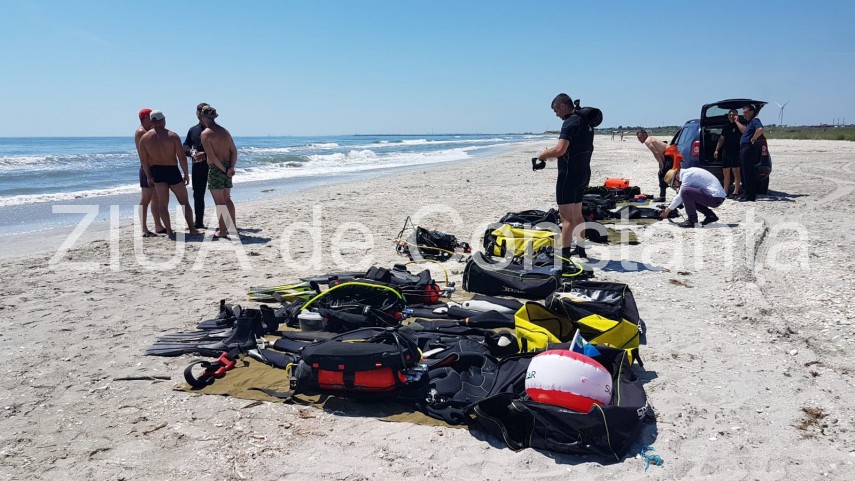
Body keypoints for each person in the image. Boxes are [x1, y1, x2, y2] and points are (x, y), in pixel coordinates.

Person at [536, 93, 594, 258]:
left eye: (556, 111)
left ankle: (564, 255)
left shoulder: (569, 123)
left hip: (568, 176)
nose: (556, 115)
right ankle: (581, 250)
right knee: (577, 215)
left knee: (566, 218)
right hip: (583, 173)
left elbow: (560, 150)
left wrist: (544, 154)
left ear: (562, 106)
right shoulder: (585, 122)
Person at [138, 110, 200, 238]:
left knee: (163, 204)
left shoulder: (145, 138)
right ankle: (192, 229)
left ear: (152, 121)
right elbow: (181, 157)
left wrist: (149, 176)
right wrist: (186, 173)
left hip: (157, 172)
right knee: (184, 202)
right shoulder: (172, 136)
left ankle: (170, 231)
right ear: (163, 120)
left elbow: (143, 160)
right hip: (172, 170)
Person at [199, 105, 238, 238]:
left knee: (219, 202)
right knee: (227, 199)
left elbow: (212, 157)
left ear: (203, 117)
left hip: (217, 169)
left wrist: (225, 169)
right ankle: (232, 228)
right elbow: (233, 151)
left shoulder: (206, 134)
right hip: (227, 166)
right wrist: (231, 167)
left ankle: (222, 231)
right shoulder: (224, 131)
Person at [660, 167, 725, 228]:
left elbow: (680, 196)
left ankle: (692, 220)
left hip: (715, 198)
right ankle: (710, 216)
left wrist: (667, 210)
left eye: (673, 184)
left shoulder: (687, 176)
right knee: (689, 195)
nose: (675, 186)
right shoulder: (688, 173)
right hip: (717, 197)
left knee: (685, 191)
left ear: (676, 177)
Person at [134, 108, 165, 237]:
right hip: (147, 168)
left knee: (156, 198)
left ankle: (158, 225)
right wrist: (148, 173)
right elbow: (144, 155)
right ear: (145, 118)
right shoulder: (141, 132)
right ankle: (144, 228)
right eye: (150, 117)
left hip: (155, 167)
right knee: (145, 198)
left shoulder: (150, 131)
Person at [183, 103, 210, 229]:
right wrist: (191, 152)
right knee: (198, 194)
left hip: (214, 166)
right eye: (199, 111)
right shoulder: (193, 129)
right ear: (197, 113)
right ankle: (199, 222)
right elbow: (185, 146)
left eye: (204, 111)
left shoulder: (216, 129)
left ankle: (225, 223)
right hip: (198, 167)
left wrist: (206, 154)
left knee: (221, 194)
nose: (201, 114)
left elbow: (224, 149)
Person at [734, 104, 764, 202]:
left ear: (752, 112)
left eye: (746, 112)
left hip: (748, 148)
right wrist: (737, 122)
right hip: (744, 149)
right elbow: (744, 131)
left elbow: (760, 129)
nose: (744, 114)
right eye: (743, 112)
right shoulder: (750, 122)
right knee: (744, 172)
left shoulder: (755, 120)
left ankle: (750, 195)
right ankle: (746, 192)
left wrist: (753, 139)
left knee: (748, 172)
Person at [714, 109, 742, 198]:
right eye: (730, 115)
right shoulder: (726, 126)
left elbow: (744, 131)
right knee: (726, 172)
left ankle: (736, 191)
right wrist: (717, 150)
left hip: (736, 151)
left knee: (736, 172)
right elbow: (722, 139)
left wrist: (737, 122)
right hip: (726, 151)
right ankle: (725, 191)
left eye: (733, 115)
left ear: (737, 115)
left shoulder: (739, 125)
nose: (731, 116)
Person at [636, 129, 670, 202]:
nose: (639, 140)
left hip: (670, 155)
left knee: (662, 174)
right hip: (668, 155)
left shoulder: (647, 141)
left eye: (640, 137)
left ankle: (662, 197)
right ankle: (663, 195)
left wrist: (661, 164)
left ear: (645, 135)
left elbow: (656, 152)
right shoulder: (650, 138)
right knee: (663, 174)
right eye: (638, 138)